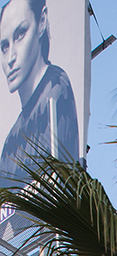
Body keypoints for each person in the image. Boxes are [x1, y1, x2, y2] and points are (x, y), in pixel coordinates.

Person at [0, 0, 78, 190]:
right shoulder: (11, 139)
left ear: (42, 21)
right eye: (4, 46)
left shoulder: (56, 90)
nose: (10, 58)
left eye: (20, 35)